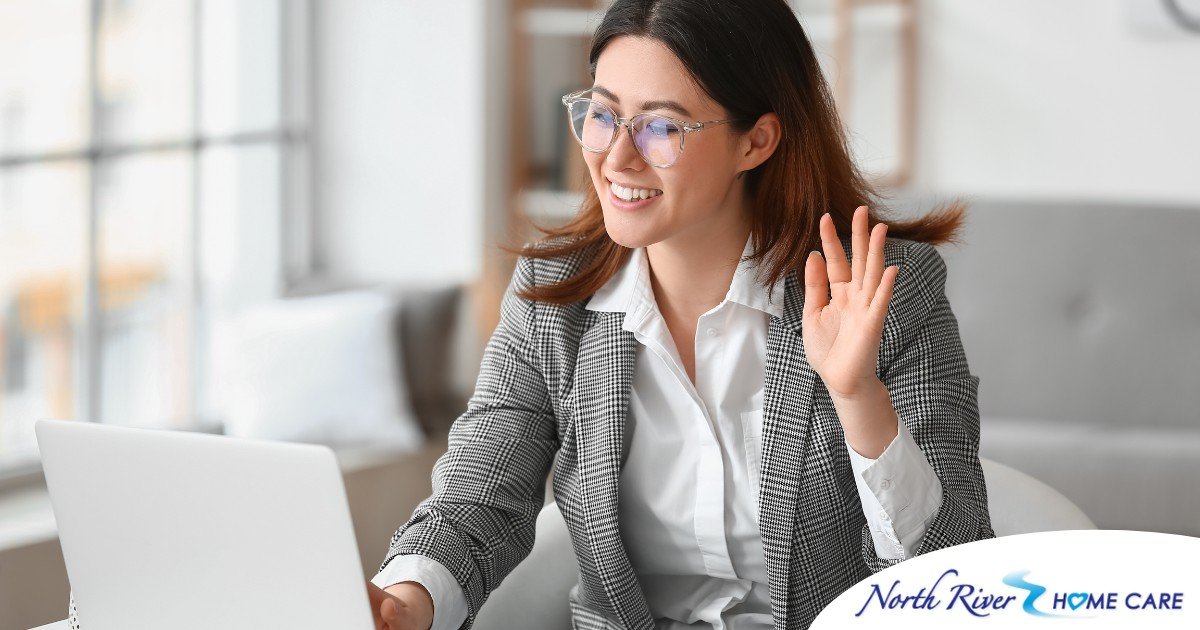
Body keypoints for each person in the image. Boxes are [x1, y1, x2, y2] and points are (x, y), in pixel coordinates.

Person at [368, 1, 992, 628]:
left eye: (660, 128)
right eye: (603, 114)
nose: (616, 159)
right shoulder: (555, 298)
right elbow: (479, 498)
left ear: (756, 141)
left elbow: (958, 571)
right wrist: (404, 605)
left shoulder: (879, 288)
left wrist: (857, 395)